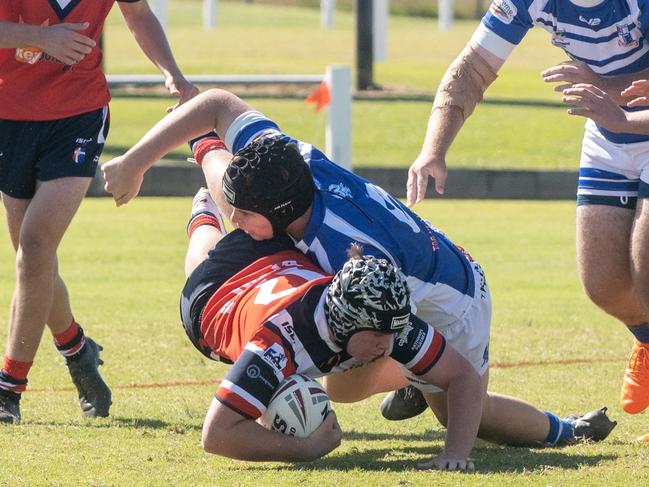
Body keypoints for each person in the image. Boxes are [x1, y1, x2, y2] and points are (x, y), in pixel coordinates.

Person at [101, 87, 617, 450]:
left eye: (243, 214)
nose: (235, 219)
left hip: (456, 295)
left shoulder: (350, 258)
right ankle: (412, 374)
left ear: (281, 217)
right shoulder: (288, 160)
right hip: (397, 278)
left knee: (454, 409)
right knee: (342, 386)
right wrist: (136, 160)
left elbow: (366, 308)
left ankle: (563, 430)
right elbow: (216, 104)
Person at [405, 0, 649, 422]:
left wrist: (602, 86)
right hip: (608, 130)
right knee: (603, 284)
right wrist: (433, 149)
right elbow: (472, 68)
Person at [181, 186, 485, 469]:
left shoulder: (381, 313)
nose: (389, 343)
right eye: (380, 335)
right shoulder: (276, 344)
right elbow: (217, 434)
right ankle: (203, 214)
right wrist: (308, 449)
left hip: (282, 261)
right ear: (346, 323)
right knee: (202, 260)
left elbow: (463, 376)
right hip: (215, 297)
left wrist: (455, 454)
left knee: (341, 384)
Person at [0, 0, 198, 423]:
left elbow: (138, 13)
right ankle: (76, 348)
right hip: (9, 115)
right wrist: (42, 37)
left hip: (79, 113)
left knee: (35, 248)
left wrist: (173, 74)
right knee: (33, 264)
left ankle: (8, 391)